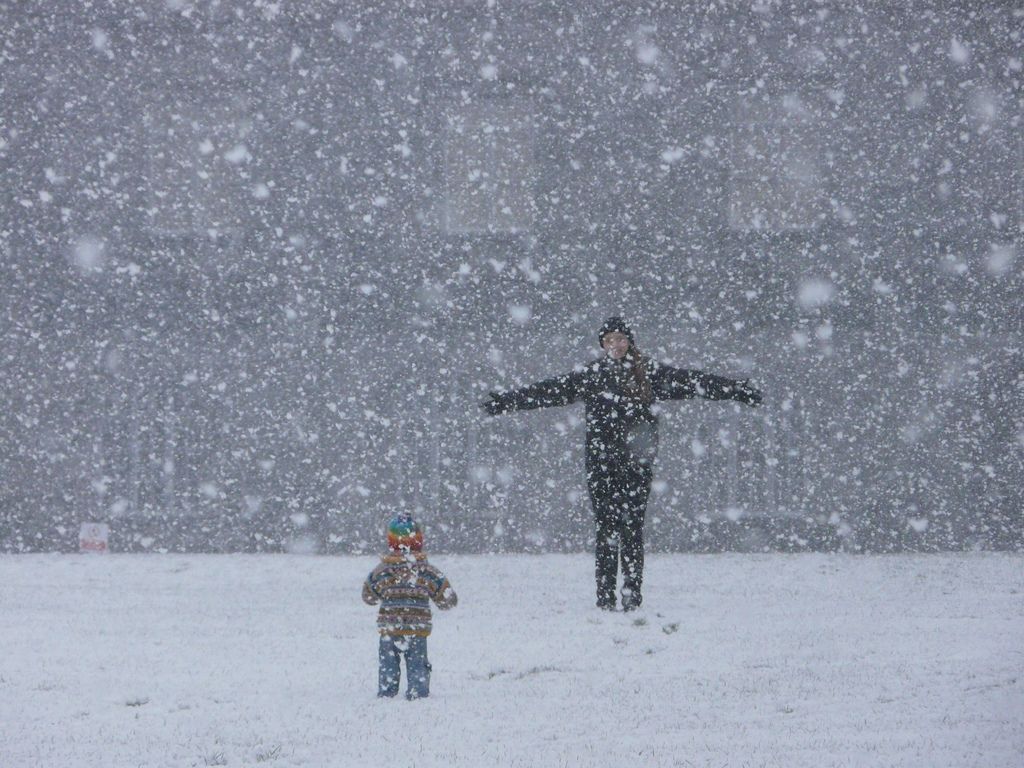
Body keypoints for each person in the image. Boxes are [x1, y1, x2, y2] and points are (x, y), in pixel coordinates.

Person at [482, 316, 762, 611]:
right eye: (610, 340)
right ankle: (605, 597)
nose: (616, 345)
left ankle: (631, 595)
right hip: (600, 464)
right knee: (606, 530)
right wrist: (508, 401)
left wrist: (736, 390)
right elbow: (550, 390)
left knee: (632, 529)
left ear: (630, 342)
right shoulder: (592, 375)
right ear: (603, 344)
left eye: (621, 339)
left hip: (636, 464)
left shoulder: (649, 372)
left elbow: (693, 381)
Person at [362, 513, 458, 699]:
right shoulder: (427, 571)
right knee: (417, 662)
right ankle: (418, 692)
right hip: (417, 628)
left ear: (391, 542)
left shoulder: (382, 571)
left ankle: (387, 692)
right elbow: (447, 598)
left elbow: (368, 596)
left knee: (388, 662)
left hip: (389, 627)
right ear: (419, 541)